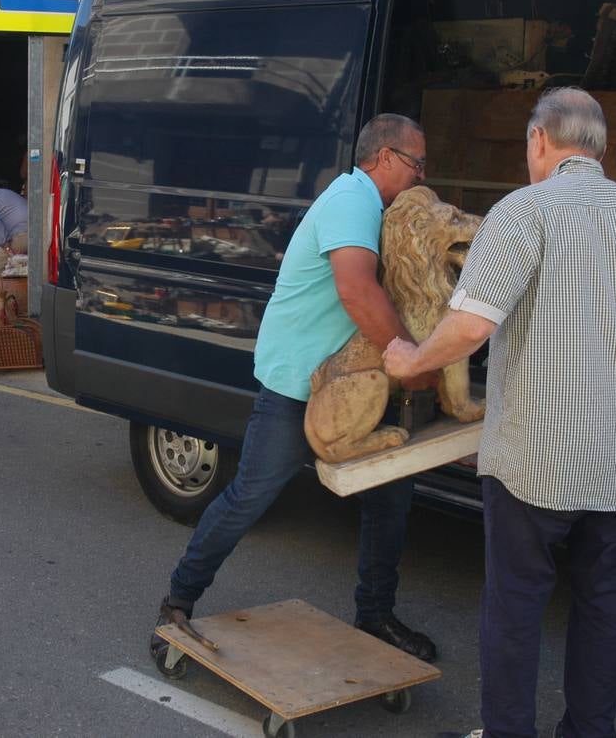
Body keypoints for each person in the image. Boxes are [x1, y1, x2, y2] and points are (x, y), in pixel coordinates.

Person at [382, 88, 616, 738]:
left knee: (516, 607)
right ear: (600, 150)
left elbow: (469, 326)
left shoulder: (523, 212)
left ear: (537, 142)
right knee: (601, 611)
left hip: (534, 461)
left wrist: (410, 361)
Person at [152, 113, 441, 664]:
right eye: (415, 163)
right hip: (300, 384)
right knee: (249, 498)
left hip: (353, 385)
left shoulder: (375, 207)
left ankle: (375, 615)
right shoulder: (353, 198)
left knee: (390, 499)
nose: (421, 176)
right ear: (383, 157)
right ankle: (178, 601)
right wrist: (411, 358)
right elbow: (356, 290)